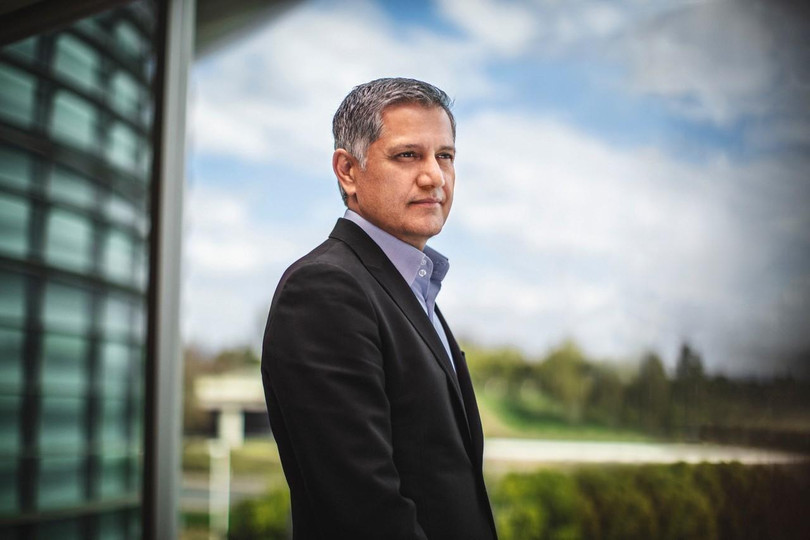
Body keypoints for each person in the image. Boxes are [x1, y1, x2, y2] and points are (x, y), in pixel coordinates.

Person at [261, 77, 497, 540]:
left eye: (445, 156)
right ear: (348, 170)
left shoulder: (412, 287)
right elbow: (364, 513)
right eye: (407, 155)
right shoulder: (325, 290)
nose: (434, 176)